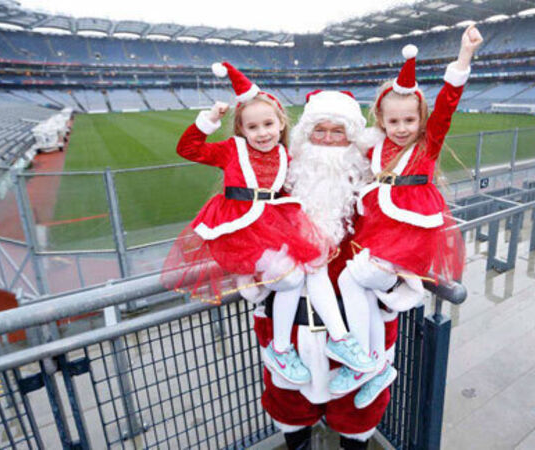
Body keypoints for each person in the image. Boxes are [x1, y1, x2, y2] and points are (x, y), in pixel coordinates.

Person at [162, 62, 374, 388]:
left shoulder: (286, 156)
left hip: (270, 225)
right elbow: (188, 149)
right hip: (239, 227)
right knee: (292, 278)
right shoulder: (233, 150)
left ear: (281, 124)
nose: (262, 133)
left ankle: (326, 341)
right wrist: (208, 121)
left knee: (308, 267)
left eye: (268, 124)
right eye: (253, 127)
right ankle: (283, 346)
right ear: (241, 129)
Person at [241, 89, 427, 450]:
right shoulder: (279, 184)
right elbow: (247, 239)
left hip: (359, 334)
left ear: (353, 138)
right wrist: (262, 272)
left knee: (357, 416)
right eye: (319, 130)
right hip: (293, 331)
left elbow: (408, 242)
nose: (327, 140)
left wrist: (388, 277)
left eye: (337, 131)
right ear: (304, 135)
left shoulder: (376, 191)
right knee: (290, 409)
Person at [335, 25, 483, 407]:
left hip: (412, 233)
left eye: (409, 121)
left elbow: (448, 103)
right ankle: (371, 362)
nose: (402, 129)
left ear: (421, 120)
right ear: (382, 120)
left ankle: (402, 293)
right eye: (394, 121)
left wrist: (463, 58)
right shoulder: (377, 147)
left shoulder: (428, 143)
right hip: (383, 232)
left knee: (360, 278)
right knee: (352, 282)